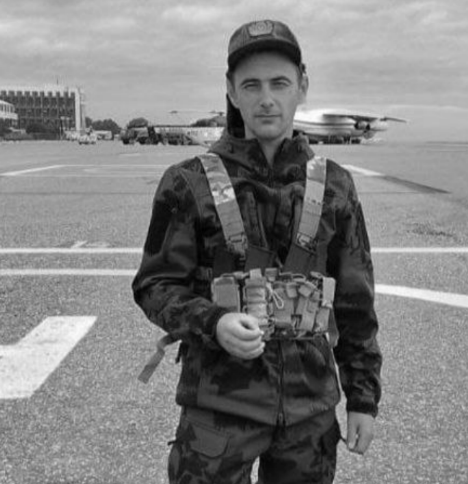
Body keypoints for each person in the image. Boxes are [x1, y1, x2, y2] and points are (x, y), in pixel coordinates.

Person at [132, 19, 381, 484]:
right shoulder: (187, 183)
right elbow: (155, 285)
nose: (266, 98)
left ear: (302, 86)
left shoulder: (335, 186)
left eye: (279, 83)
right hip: (218, 410)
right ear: (231, 90)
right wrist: (214, 323)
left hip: (309, 414)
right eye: (251, 85)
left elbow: (355, 302)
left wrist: (363, 398)